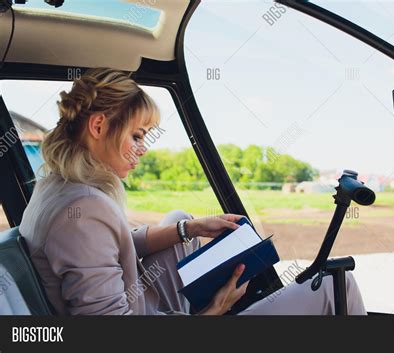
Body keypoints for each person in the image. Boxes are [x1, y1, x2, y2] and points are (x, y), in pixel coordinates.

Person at [19, 68, 366, 315]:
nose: (144, 148)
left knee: (180, 220)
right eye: (137, 135)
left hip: (146, 306)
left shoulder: (56, 187)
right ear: (98, 126)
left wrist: (192, 229)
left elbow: (112, 244)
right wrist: (215, 311)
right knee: (341, 287)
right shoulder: (83, 211)